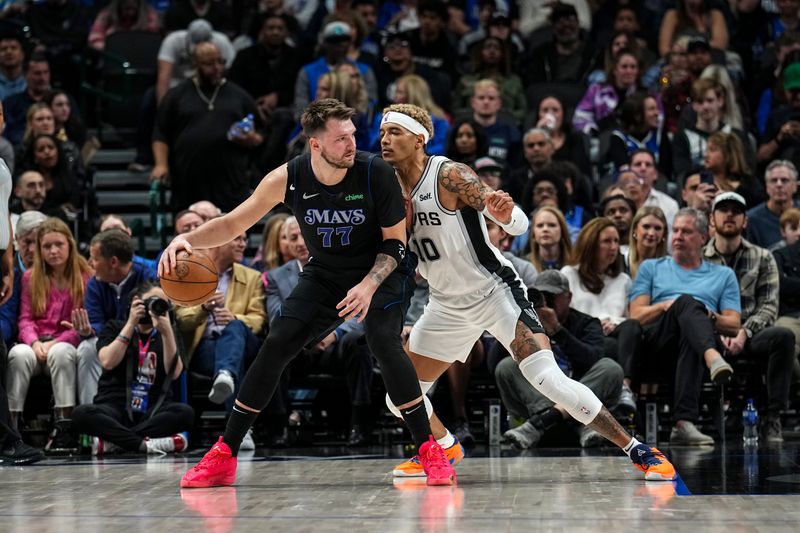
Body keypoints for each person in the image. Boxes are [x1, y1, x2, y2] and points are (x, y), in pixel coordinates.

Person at [164, 99, 454, 487]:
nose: (351, 144)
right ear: (315, 145)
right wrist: (187, 239)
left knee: (383, 341)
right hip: (327, 273)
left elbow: (397, 245)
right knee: (278, 341)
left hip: (382, 270)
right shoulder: (288, 177)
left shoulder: (375, 172)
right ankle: (225, 453)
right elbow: (234, 222)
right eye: (340, 139)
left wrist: (368, 286)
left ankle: (429, 451)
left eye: (352, 135)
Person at [379, 103, 676, 481]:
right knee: (398, 397)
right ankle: (444, 446)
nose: (385, 140)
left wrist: (505, 214)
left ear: (419, 138)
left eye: (395, 133)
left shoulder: (448, 174)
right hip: (445, 304)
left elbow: (517, 223)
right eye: (384, 133)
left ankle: (638, 449)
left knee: (549, 380)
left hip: (494, 292)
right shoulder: (385, 185)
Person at [628, 208, 739, 445]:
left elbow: (733, 324)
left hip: (696, 339)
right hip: (659, 345)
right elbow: (635, 315)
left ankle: (683, 425)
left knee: (692, 322)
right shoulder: (652, 267)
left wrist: (708, 316)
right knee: (686, 302)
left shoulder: (723, 274)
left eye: (686, 231)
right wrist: (666, 306)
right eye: (675, 230)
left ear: (703, 237)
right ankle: (712, 360)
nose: (677, 236)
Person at [264, 217, 374, 447]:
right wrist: (310, 333)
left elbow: (358, 311)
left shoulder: (343, 268)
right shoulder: (276, 277)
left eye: (304, 234)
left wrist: (334, 333)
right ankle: (279, 427)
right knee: (274, 345)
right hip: (298, 349)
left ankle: (360, 423)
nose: (300, 242)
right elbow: (277, 315)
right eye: (293, 237)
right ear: (288, 243)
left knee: (358, 340)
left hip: (336, 344)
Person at [702, 192, 795, 442]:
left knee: (783, 336)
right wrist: (721, 330)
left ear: (745, 221)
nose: (729, 214)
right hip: (711, 334)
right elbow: (698, 302)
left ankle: (772, 417)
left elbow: (768, 306)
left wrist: (744, 331)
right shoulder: (700, 257)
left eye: (736, 211)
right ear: (712, 219)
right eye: (723, 210)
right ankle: (694, 419)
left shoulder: (763, 257)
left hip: (751, 333)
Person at [496, 271, 625, 449]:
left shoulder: (587, 323)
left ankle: (545, 420)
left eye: (551, 296)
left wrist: (557, 329)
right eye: (542, 297)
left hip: (578, 386)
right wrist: (516, 320)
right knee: (506, 366)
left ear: (568, 297)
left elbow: (591, 359)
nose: (547, 302)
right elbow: (494, 359)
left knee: (610, 368)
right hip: (540, 396)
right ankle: (579, 421)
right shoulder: (524, 322)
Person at [71, 281, 194, 455]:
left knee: (185, 413)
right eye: (151, 302)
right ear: (136, 302)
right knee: (81, 414)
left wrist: (167, 332)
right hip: (114, 406)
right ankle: (146, 444)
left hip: (153, 407)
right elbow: (107, 361)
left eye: (162, 304)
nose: (155, 308)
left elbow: (174, 373)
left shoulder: (169, 333)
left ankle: (116, 443)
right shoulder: (115, 327)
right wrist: (130, 324)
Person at [6, 217, 92, 451]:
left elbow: (82, 325)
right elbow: (24, 318)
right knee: (18, 354)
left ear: (70, 245)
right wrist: (33, 343)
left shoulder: (85, 276)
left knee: (62, 353)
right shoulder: (29, 277)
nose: (53, 251)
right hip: (36, 345)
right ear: (39, 249)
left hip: (64, 344)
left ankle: (65, 427)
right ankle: (12, 427)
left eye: (58, 245)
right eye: (47, 246)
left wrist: (57, 342)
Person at [151, 41, 264, 213]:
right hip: (188, 182)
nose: (217, 68)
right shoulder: (176, 95)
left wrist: (251, 139)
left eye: (220, 62)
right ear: (195, 64)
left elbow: (261, 133)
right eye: (209, 63)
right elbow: (160, 134)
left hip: (230, 182)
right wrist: (161, 165)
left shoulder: (239, 96)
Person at [176, 232, 266, 411]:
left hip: (245, 343)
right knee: (232, 359)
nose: (243, 244)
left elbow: (259, 320)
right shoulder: (190, 273)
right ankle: (240, 430)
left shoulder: (252, 277)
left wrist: (235, 318)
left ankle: (225, 374)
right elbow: (180, 319)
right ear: (218, 240)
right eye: (237, 238)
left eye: (245, 239)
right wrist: (204, 309)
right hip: (206, 349)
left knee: (235, 328)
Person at [76, 229, 159, 406]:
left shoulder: (149, 277)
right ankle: (92, 409)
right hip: (112, 340)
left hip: (143, 339)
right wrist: (88, 330)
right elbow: (96, 322)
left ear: (113, 262)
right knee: (87, 347)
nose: (90, 264)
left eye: (95, 258)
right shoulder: (95, 284)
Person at [746, 160, 800, 248]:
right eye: (774, 180)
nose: (779, 185)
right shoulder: (752, 220)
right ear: (767, 187)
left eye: (784, 180)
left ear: (795, 186)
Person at [88, 0, 162, 51]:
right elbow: (94, 40)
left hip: (141, 58)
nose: (130, 13)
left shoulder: (150, 15)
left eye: (133, 9)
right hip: (113, 59)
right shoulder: (106, 15)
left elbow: (153, 41)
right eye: (127, 9)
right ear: (119, 6)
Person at [527, 206, 573, 272]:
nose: (545, 229)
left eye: (552, 225)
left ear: (562, 231)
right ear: (533, 233)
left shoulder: (575, 264)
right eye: (540, 225)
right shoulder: (524, 266)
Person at [627, 206, 668, 278]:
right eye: (646, 227)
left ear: (664, 233)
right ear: (635, 229)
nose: (651, 233)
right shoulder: (622, 262)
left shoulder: (671, 267)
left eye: (657, 228)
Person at [600, 194, 636, 258]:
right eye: (611, 212)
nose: (617, 215)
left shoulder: (643, 248)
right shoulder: (598, 252)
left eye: (623, 210)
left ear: (634, 216)